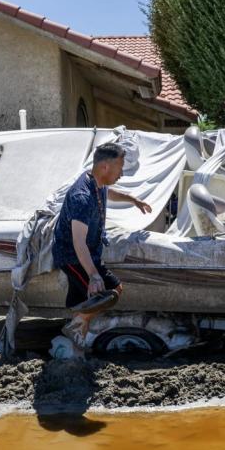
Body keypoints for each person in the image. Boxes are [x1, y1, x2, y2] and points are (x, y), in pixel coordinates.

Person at [52, 142, 151, 345]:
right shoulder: (82, 196)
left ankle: (73, 344)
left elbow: (108, 192)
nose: (121, 173)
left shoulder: (98, 182)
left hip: (88, 253)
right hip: (72, 256)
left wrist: (132, 199)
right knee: (107, 292)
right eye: (120, 167)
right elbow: (78, 242)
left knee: (88, 301)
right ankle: (74, 331)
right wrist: (93, 274)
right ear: (106, 166)